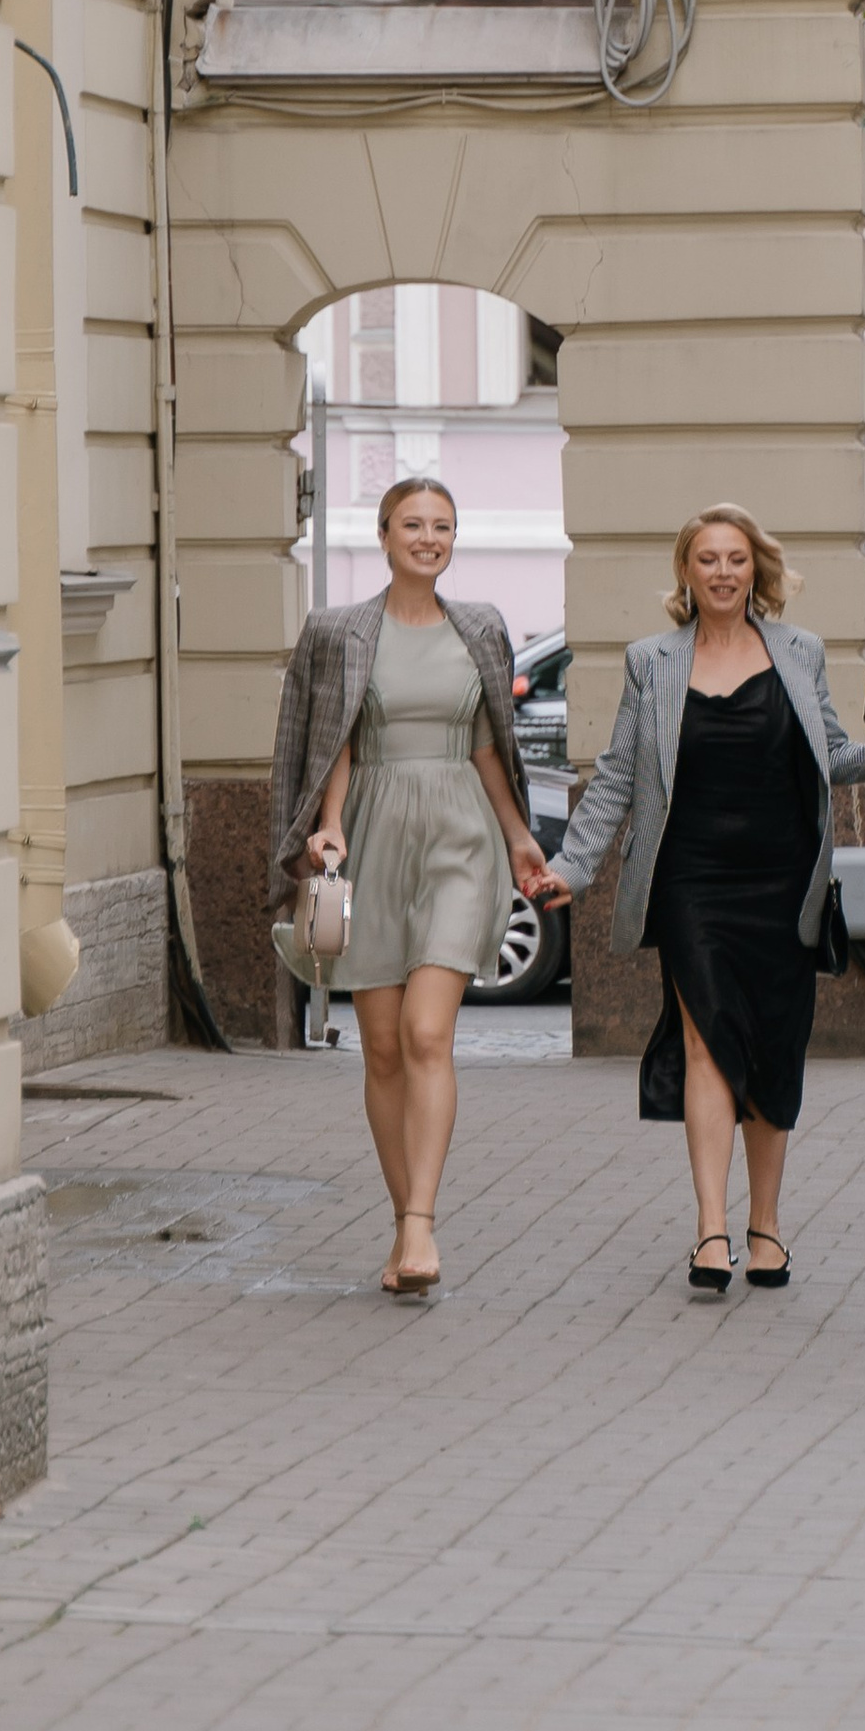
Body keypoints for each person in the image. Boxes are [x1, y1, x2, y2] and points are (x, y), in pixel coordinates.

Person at [541, 507, 865, 1296]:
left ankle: (765, 1228)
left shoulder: (797, 651)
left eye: (736, 558)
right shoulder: (651, 662)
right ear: (687, 573)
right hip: (692, 881)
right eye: (708, 559)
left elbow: (833, 755)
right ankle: (711, 1229)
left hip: (783, 880)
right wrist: (573, 866)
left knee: (771, 1050)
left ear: (755, 570)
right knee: (706, 1043)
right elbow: (619, 779)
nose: (724, 571)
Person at [268, 476, 553, 1299]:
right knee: (384, 1047)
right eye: (413, 525)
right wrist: (327, 830)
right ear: (385, 535)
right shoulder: (340, 632)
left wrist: (521, 838)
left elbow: (487, 744)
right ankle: (405, 1225)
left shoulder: (483, 629)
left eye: (442, 526)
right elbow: (334, 742)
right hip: (373, 835)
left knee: (430, 1034)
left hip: (462, 836)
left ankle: (421, 1225)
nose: (429, 538)